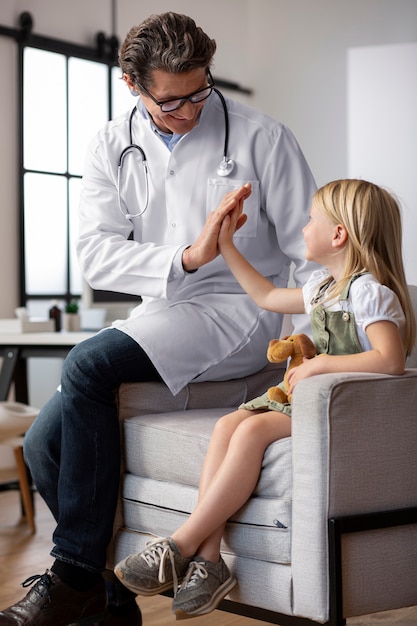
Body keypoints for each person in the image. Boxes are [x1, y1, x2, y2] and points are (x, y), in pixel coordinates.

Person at [0, 11, 317, 626]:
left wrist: (310, 342)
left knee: (87, 362)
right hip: (164, 310)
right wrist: (186, 258)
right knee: (44, 444)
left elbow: (313, 254)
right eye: (171, 101)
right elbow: (95, 255)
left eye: (200, 91)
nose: (190, 110)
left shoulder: (262, 137)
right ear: (132, 85)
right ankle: (111, 601)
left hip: (240, 314)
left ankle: (70, 576)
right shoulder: (109, 144)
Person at [114, 178, 416, 619]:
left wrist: (319, 365)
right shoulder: (322, 288)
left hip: (338, 411)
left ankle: (178, 544)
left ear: (338, 235)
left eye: (312, 219)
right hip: (305, 400)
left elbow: (390, 360)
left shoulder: (370, 292)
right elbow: (267, 295)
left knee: (252, 429)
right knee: (227, 425)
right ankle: (209, 559)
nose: (303, 227)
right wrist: (227, 245)